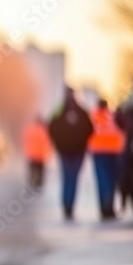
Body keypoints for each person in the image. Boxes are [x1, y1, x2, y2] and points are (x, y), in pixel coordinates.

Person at [48, 87, 94, 220]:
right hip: (74, 151)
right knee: (72, 177)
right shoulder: (81, 110)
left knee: (68, 177)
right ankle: (69, 205)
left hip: (68, 150)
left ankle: (67, 205)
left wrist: (58, 142)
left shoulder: (61, 110)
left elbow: (51, 127)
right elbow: (90, 129)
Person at [88, 98, 126, 220]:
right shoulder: (112, 115)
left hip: (98, 152)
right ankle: (108, 208)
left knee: (102, 181)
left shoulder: (92, 115)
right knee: (111, 181)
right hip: (113, 152)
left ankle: (104, 208)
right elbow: (122, 129)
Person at [23, 116, 52, 190]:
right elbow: (47, 143)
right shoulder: (44, 131)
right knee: (40, 171)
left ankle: (32, 182)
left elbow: (26, 140)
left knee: (33, 170)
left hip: (32, 154)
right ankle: (39, 183)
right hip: (41, 155)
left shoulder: (30, 130)